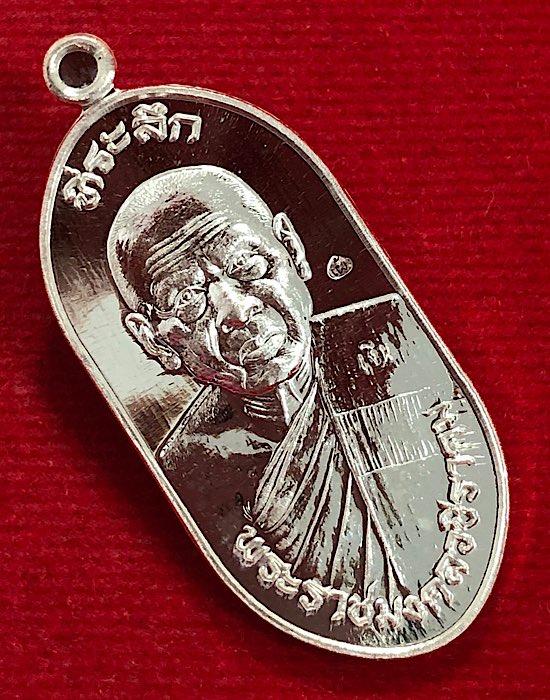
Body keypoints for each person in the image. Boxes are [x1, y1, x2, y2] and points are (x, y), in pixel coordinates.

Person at [107, 165, 453, 643]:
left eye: (247, 266)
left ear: (291, 248)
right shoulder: (191, 465)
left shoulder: (403, 346)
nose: (236, 311)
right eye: (188, 300)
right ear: (154, 340)